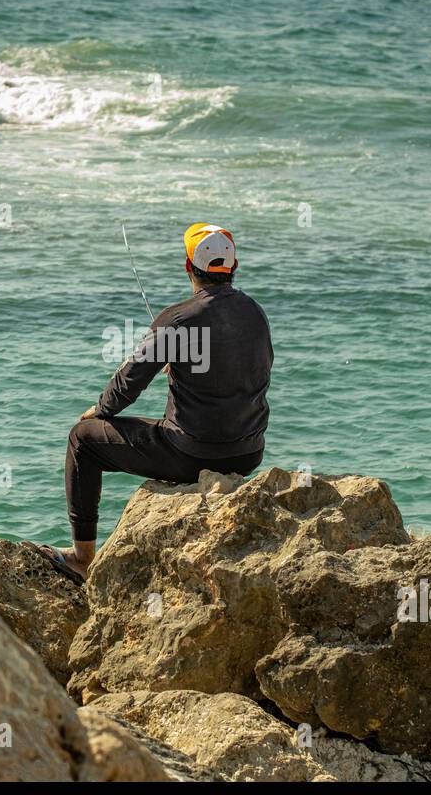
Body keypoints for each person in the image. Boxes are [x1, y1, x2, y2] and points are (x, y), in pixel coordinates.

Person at [42, 223, 273, 583]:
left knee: (82, 440)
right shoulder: (256, 313)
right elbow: (248, 369)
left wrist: (100, 410)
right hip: (247, 453)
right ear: (234, 266)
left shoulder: (177, 318)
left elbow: (129, 382)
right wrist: (186, 365)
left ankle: (82, 558)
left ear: (187, 267)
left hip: (192, 454)